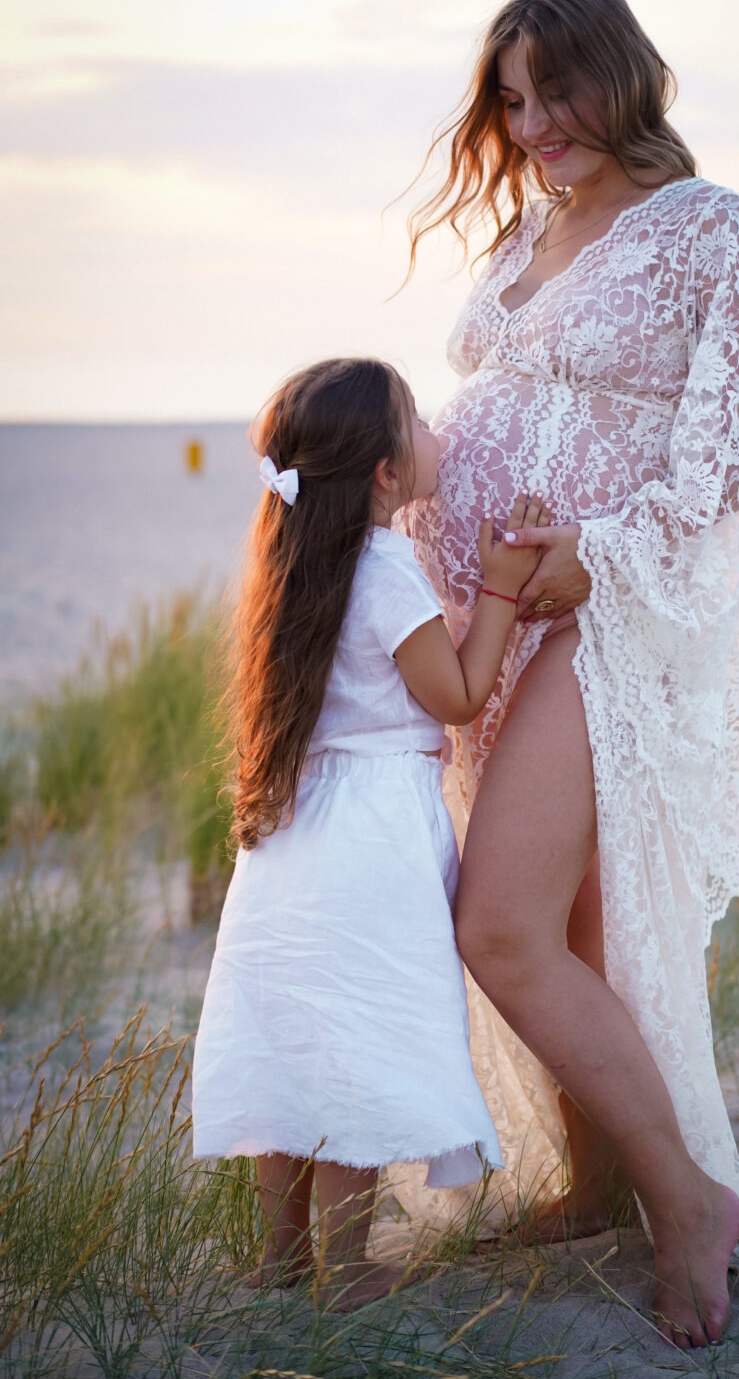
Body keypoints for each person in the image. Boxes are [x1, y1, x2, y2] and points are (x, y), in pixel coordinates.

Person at [399, 0, 739, 1349]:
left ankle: (687, 1200)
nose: (531, 127)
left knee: (502, 923)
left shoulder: (705, 227)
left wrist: (599, 550)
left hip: (606, 617)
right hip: (489, 625)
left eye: (552, 92)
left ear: (620, 72)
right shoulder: (529, 231)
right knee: (575, 927)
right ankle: (591, 1187)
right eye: (511, 102)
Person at [191, 356, 551, 1308]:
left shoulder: (295, 562)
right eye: (420, 423)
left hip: (294, 835)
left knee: (290, 1048)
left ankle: (277, 1264)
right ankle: (345, 1274)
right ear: (388, 474)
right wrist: (506, 589)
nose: (439, 433)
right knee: (352, 1050)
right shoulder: (388, 567)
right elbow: (460, 695)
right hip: (374, 843)